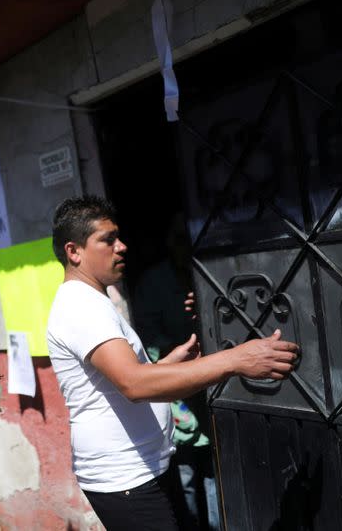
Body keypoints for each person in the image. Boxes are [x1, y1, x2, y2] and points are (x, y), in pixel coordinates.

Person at [46, 196, 300, 531]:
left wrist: (169, 363)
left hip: (141, 468)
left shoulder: (92, 301)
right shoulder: (81, 306)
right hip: (126, 478)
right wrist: (237, 359)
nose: (121, 246)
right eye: (108, 239)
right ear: (73, 251)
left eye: (118, 236)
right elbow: (134, 384)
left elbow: (121, 382)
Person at [133, 215, 219, 530]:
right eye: (180, 239)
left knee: (216, 473)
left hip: (213, 387)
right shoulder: (154, 283)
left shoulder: (208, 274)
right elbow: (149, 343)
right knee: (187, 476)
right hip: (177, 392)